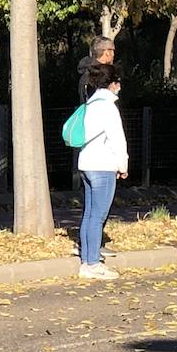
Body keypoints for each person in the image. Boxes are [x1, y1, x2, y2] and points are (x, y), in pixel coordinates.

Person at [76, 62, 128, 281]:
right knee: (98, 216)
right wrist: (122, 165)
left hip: (86, 163)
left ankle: (87, 260)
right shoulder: (108, 107)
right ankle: (93, 264)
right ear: (113, 84)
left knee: (89, 214)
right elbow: (117, 138)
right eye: (118, 82)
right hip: (103, 166)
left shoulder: (90, 104)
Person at [76, 36, 115, 103]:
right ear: (107, 53)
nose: (114, 54)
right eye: (113, 50)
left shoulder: (86, 73)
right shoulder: (100, 76)